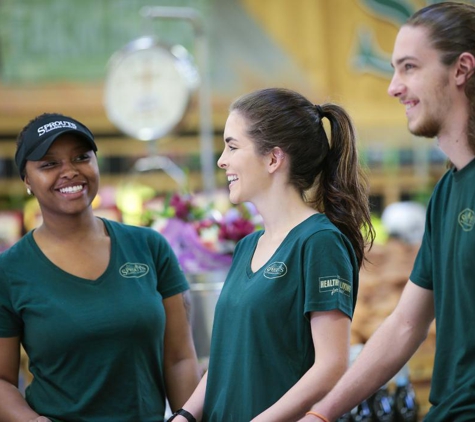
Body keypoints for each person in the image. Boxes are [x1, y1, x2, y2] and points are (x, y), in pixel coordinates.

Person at [300, 2, 475, 421]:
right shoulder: (448, 193)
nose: (394, 87)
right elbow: (404, 326)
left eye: (410, 67)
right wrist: (322, 413)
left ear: (461, 69)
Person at [167, 87, 375, 422]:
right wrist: (185, 415)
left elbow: (331, 365)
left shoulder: (319, 242)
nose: (222, 160)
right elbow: (226, 360)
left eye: (232, 146)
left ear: (273, 158)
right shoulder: (247, 246)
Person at [0, 113, 201, 421]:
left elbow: (179, 358)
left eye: (81, 157)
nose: (69, 171)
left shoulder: (149, 247)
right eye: (49, 164)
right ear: (27, 179)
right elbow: (2, 381)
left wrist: (187, 418)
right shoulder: (9, 271)